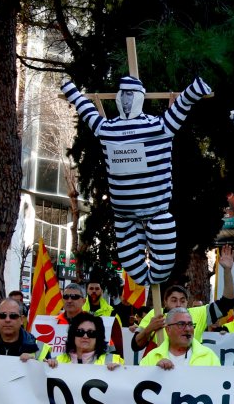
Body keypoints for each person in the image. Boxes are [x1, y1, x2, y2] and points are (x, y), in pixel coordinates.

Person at [62, 75, 212, 286]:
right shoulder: (108, 129)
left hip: (156, 211)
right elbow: (86, 111)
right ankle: (146, 281)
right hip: (124, 215)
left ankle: (153, 280)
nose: (126, 101)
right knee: (134, 267)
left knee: (162, 266)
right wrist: (72, 91)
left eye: (131, 96)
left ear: (140, 98)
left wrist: (194, 89)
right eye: (124, 96)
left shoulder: (157, 127)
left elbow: (182, 106)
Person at [133, 250, 234, 350]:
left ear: (188, 302)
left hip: (191, 365)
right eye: (174, 300)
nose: (178, 304)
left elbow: (227, 303)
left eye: (182, 301)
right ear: (165, 302)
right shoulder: (155, 314)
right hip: (164, 364)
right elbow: (135, 345)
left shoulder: (199, 313)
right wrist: (149, 328)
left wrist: (227, 271)